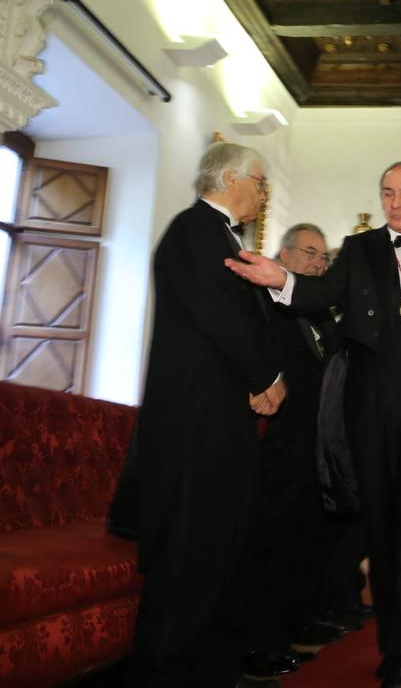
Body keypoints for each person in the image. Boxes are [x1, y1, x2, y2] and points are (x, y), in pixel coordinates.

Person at [226, 161, 401, 688]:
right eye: (387, 193)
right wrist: (282, 279)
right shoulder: (359, 250)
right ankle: (392, 649)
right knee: (382, 530)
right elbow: (321, 294)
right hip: (373, 403)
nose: (395, 202)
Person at [128, 142, 285, 687]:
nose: (263, 195)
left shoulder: (219, 236)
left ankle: (211, 668)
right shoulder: (195, 230)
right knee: (192, 551)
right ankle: (167, 671)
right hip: (194, 422)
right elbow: (224, 320)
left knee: (224, 547)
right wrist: (266, 378)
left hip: (221, 419)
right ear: (233, 178)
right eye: (261, 183)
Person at [243, 223, 342, 680]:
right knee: (271, 544)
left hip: (311, 446)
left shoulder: (316, 313)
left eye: (323, 259)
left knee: (304, 539)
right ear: (282, 255)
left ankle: (292, 624)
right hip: (276, 442)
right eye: (310, 254)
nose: (318, 264)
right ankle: (259, 643)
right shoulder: (265, 304)